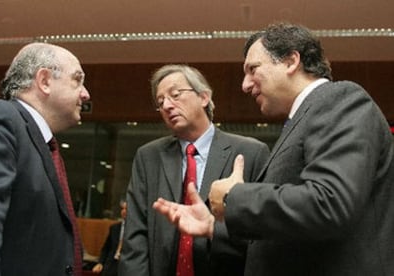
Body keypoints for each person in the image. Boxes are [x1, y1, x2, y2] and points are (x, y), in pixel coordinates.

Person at [153, 22, 394, 276]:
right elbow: (288, 235)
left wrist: (233, 197)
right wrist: (215, 226)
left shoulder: (340, 99)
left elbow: (329, 203)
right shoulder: (301, 119)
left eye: (253, 69)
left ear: (291, 61)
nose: (245, 85)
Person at [118, 64, 270, 276]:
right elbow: (135, 237)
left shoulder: (249, 153)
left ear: (204, 97)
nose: (167, 106)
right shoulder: (148, 157)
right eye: (160, 102)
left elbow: (263, 235)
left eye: (175, 94)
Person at [0, 42, 90, 275]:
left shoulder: (43, 145)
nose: (85, 93)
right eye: (77, 79)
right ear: (45, 80)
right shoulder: (0, 118)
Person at [92, 201, 127, 276]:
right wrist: (100, 263)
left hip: (126, 266)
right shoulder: (114, 228)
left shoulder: (136, 230)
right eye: (122, 209)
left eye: (126, 209)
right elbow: (106, 248)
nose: (123, 211)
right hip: (111, 266)